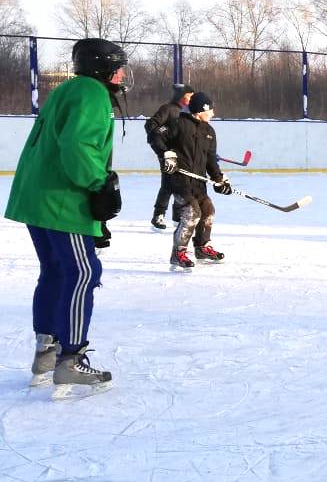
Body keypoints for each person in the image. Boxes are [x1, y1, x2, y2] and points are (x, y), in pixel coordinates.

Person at [4, 38, 128, 392]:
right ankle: (70, 358)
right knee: (83, 271)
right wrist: (99, 185)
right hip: (62, 201)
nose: (121, 74)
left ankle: (47, 349)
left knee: (57, 270)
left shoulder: (69, 89)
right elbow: (77, 144)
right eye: (118, 66)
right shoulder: (92, 93)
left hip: (37, 198)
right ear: (103, 67)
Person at [150, 91, 231, 269]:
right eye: (210, 110)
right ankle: (178, 253)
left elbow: (210, 159)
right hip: (178, 180)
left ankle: (202, 248)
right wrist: (166, 154)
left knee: (208, 210)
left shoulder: (209, 131)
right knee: (192, 213)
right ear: (201, 110)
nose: (213, 113)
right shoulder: (177, 123)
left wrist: (219, 180)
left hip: (198, 182)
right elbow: (155, 135)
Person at [144, 82, 194, 229]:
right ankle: (158, 216)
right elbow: (151, 126)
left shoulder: (184, 113)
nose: (190, 100)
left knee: (181, 185)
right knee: (167, 185)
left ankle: (177, 216)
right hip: (166, 154)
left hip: (180, 155)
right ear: (180, 96)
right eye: (188, 96)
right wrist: (161, 144)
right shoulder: (168, 109)